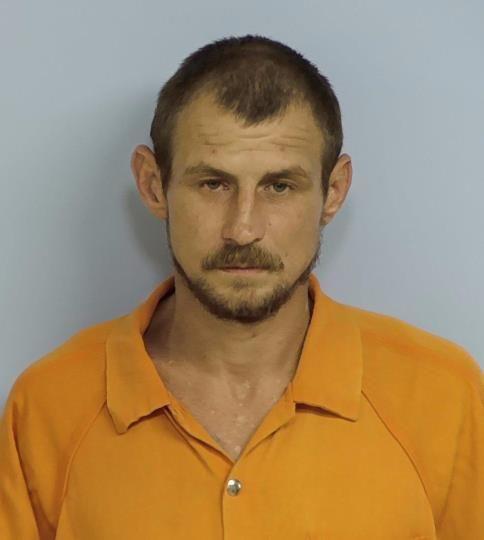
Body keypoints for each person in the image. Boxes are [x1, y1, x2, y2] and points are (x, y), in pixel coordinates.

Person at [0, 34, 482, 540]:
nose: (243, 228)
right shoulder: (49, 407)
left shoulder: (443, 399)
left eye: (279, 186)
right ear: (153, 185)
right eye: (213, 184)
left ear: (334, 191)